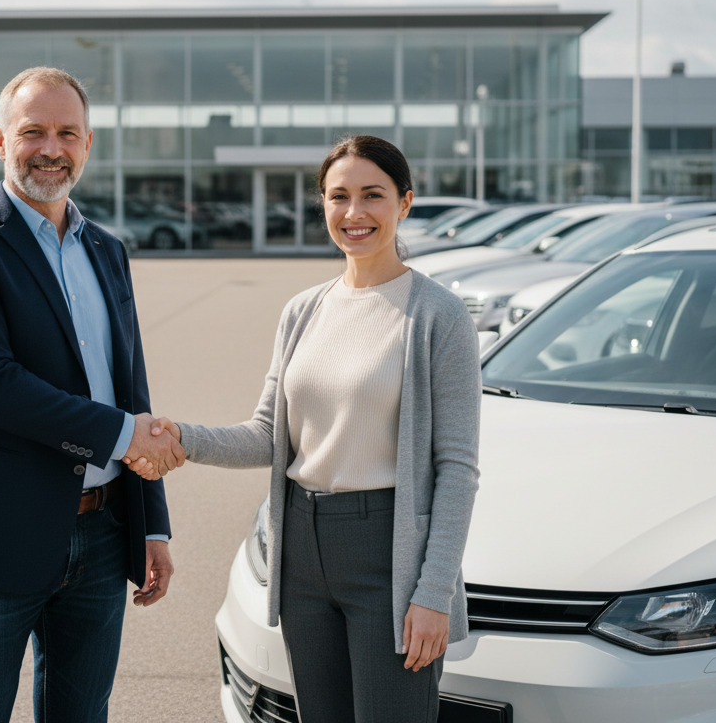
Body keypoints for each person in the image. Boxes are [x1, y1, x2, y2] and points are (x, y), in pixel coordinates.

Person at [146, 135, 480, 723]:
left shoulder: (437, 315)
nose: (354, 213)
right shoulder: (304, 310)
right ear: (322, 205)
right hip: (301, 549)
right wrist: (183, 437)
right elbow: (266, 433)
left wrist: (432, 594)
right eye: (338, 197)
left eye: (372, 195)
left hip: (387, 551)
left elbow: (456, 469)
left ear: (404, 203)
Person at [0, 66, 185, 723]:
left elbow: (131, 389)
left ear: (88, 146)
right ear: (1, 139)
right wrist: (122, 437)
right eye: (33, 131)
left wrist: (152, 523)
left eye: (67, 132)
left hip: (104, 529)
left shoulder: (107, 251)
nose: (51, 148)